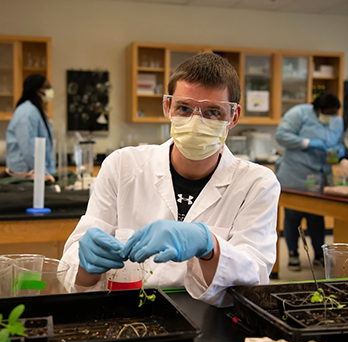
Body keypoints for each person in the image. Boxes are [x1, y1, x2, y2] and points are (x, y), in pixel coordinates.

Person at [61, 53, 280, 307]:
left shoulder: (257, 184)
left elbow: (256, 278)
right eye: (184, 108)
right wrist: (87, 265)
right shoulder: (122, 166)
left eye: (212, 112)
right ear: (167, 107)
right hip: (126, 314)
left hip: (210, 323)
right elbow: (72, 270)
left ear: (234, 116)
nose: (196, 122)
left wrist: (210, 247)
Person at [275, 93, 344, 271]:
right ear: (317, 109)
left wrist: (338, 150)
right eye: (327, 112)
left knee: (317, 216)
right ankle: (293, 254)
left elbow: (340, 143)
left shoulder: (337, 121)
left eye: (334, 113)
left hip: (319, 175)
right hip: (295, 173)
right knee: (293, 216)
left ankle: (319, 255)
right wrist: (307, 143)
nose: (331, 116)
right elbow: (282, 135)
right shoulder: (299, 113)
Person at [6, 74, 56, 177]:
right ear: (37, 90)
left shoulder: (36, 111)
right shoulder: (27, 112)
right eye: (47, 87)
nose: (50, 91)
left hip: (35, 173)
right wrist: (43, 174)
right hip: (25, 174)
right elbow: (28, 148)